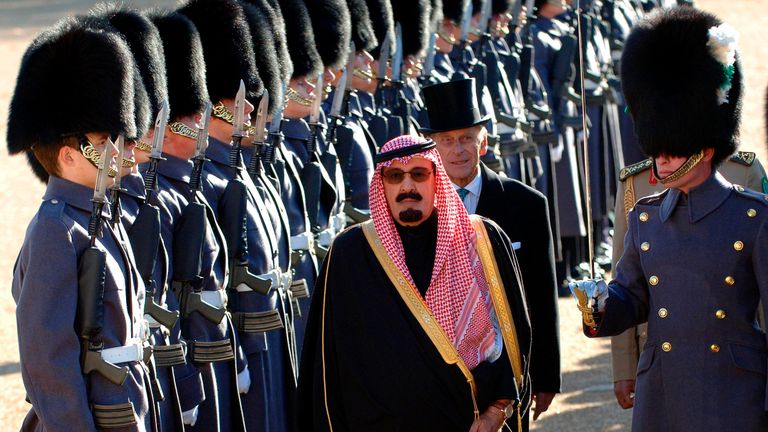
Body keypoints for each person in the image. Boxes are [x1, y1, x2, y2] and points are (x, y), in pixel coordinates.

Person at [570, 7, 768, 430]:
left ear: (706, 146)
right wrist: (601, 306)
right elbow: (633, 297)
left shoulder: (753, 218)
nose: (660, 157)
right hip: (664, 391)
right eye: (656, 146)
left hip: (734, 394)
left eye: (673, 148)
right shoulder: (646, 219)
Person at [298, 134, 532, 431]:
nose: (407, 186)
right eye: (395, 176)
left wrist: (497, 411)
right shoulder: (349, 254)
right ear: (381, 184)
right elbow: (327, 369)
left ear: (437, 178)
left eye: (419, 174)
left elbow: (515, 340)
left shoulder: (480, 240)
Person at [7, 18, 155, 431]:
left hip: (127, 408)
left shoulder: (101, 215)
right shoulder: (57, 228)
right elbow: (47, 359)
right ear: (69, 155)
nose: (121, 149)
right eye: (106, 140)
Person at [421, 78, 561, 426]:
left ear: (483, 142)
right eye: (448, 141)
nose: (458, 150)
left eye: (467, 138)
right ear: (433, 148)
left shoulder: (526, 204)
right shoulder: (418, 211)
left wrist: (546, 376)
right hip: (441, 372)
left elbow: (542, 295)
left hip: (509, 370)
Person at [610, 152, 768, 409]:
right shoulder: (640, 198)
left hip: (734, 371)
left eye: (672, 148)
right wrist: (624, 364)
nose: (661, 159)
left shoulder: (746, 179)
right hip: (664, 363)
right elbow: (628, 283)